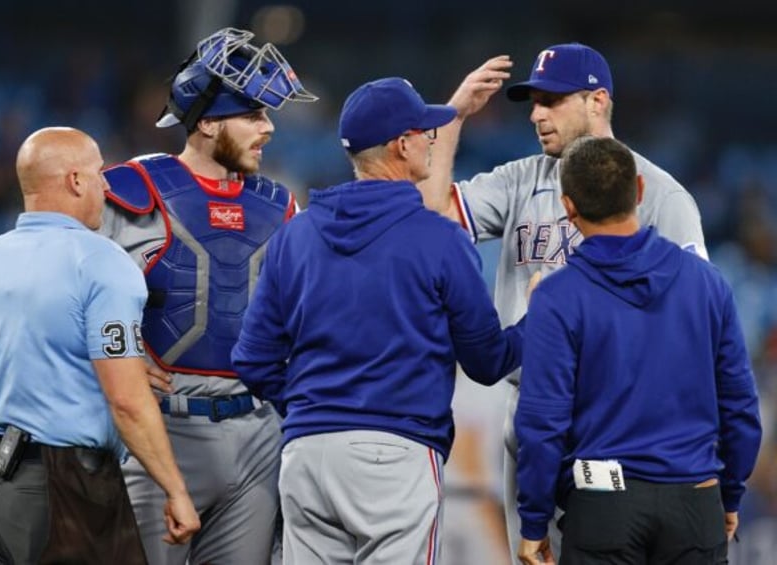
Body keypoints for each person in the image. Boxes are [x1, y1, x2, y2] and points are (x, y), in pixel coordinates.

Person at [417, 42, 709, 561]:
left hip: (617, 416)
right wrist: (454, 114)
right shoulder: (519, 179)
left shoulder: (662, 196)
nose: (536, 114)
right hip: (529, 409)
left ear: (597, 101)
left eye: (552, 100)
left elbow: (695, 322)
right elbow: (432, 218)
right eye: (534, 101)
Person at [231, 76, 525, 565]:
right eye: (423, 132)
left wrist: (315, 406)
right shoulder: (438, 238)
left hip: (307, 453)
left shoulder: (295, 236)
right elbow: (487, 361)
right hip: (394, 454)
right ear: (401, 144)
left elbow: (253, 359)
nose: (430, 141)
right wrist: (539, 323)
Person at [99, 27, 317, 565]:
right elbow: (62, 293)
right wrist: (100, 356)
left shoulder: (280, 204)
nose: (268, 128)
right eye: (254, 115)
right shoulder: (132, 190)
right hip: (164, 429)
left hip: (259, 431)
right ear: (208, 122)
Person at [0, 127, 200, 564]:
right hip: (71, 491)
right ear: (75, 181)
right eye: (99, 172)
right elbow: (126, 401)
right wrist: (175, 489)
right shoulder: (101, 260)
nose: (107, 185)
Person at [515, 136, 762, 565]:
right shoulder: (707, 283)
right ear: (641, 191)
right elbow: (740, 406)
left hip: (601, 502)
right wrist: (730, 493)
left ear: (568, 207)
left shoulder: (557, 297)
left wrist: (534, 522)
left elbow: (541, 422)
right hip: (694, 499)